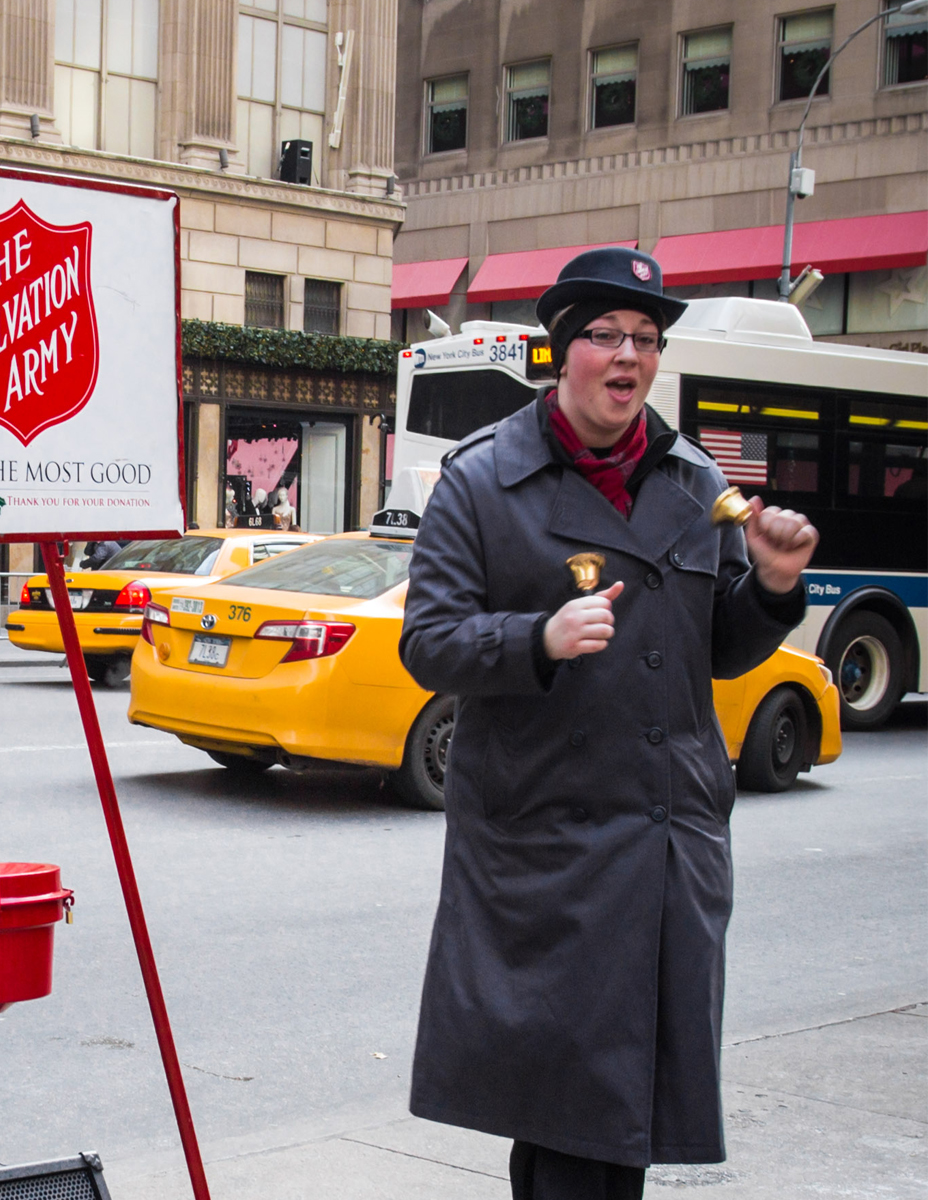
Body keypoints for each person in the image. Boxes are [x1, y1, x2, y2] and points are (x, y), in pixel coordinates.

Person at [399, 247, 820, 1200]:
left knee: (601, 1126)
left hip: (666, 850)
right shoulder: (479, 480)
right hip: (545, 855)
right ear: (562, 351)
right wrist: (537, 638)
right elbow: (427, 644)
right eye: (605, 337)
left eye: (646, 340)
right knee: (570, 1124)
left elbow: (713, 649)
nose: (628, 358)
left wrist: (776, 588)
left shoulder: (693, 480)